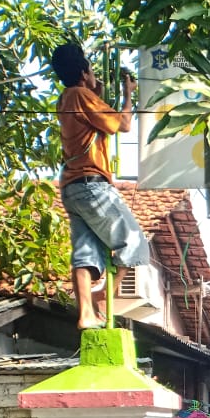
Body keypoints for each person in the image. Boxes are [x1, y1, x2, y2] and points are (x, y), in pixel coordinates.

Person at [50, 43, 151, 331]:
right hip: (92, 184)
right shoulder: (81, 95)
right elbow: (122, 124)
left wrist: (100, 85)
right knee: (134, 243)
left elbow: (97, 110)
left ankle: (86, 313)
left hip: (72, 186)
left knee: (85, 252)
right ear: (83, 74)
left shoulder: (67, 98)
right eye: (91, 71)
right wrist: (129, 95)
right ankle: (102, 296)